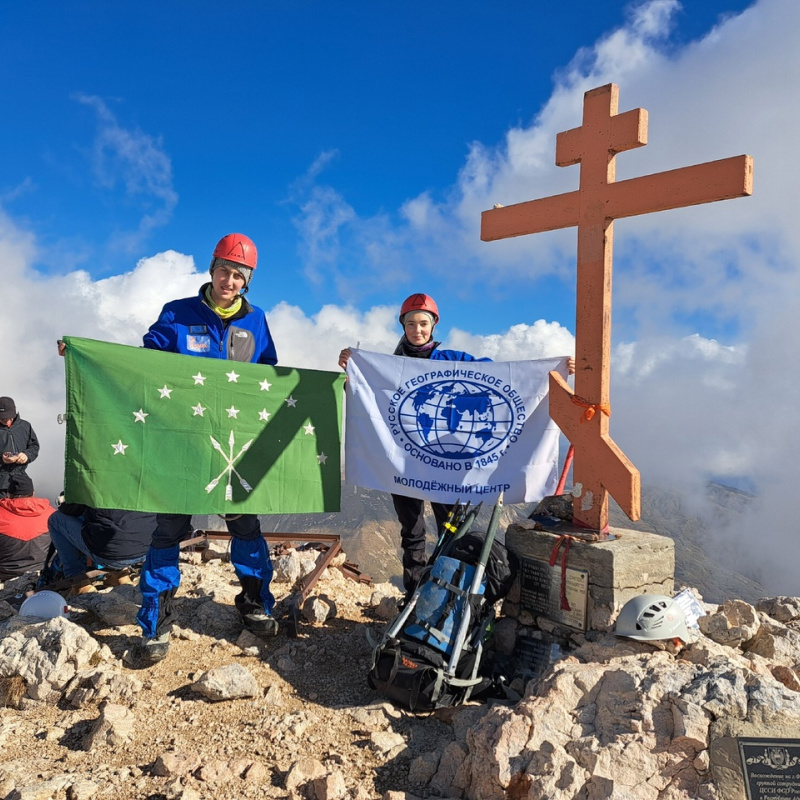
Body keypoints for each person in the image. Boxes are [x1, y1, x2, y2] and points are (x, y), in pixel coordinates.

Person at [135, 232, 279, 664]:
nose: (228, 280)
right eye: (223, 270)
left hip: (231, 445)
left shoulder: (256, 321)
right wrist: (85, 356)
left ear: (246, 281)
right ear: (211, 270)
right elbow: (143, 360)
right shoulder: (178, 313)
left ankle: (254, 602)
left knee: (244, 524)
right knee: (168, 528)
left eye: (238, 274)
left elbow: (269, 376)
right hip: (181, 440)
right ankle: (155, 618)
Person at [338, 293, 493, 597]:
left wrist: (543, 371)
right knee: (412, 532)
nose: (417, 329)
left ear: (433, 326)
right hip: (404, 461)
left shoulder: (452, 361)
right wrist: (352, 372)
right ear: (403, 326)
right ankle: (414, 594)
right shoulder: (390, 366)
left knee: (450, 528)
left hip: (443, 460)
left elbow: (492, 373)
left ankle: (446, 597)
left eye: (423, 323)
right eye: (411, 324)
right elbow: (366, 396)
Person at [47, 503, 157, 579]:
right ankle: (121, 574)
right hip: (146, 552)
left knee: (56, 518)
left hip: (112, 557)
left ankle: (76, 577)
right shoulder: (143, 475)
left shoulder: (98, 478)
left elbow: (70, 509)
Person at [0, 473, 54, 581]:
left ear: (8, 494)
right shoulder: (51, 513)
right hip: (43, 570)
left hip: (6, 573)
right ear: (33, 493)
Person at [0, 397, 40, 499]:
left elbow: (34, 446)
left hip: (21, 482)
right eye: (3, 418)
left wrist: (27, 455)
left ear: (15, 409)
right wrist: (2, 459)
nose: (7, 421)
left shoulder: (25, 426)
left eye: (9, 417)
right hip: (1, 484)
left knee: (23, 511)